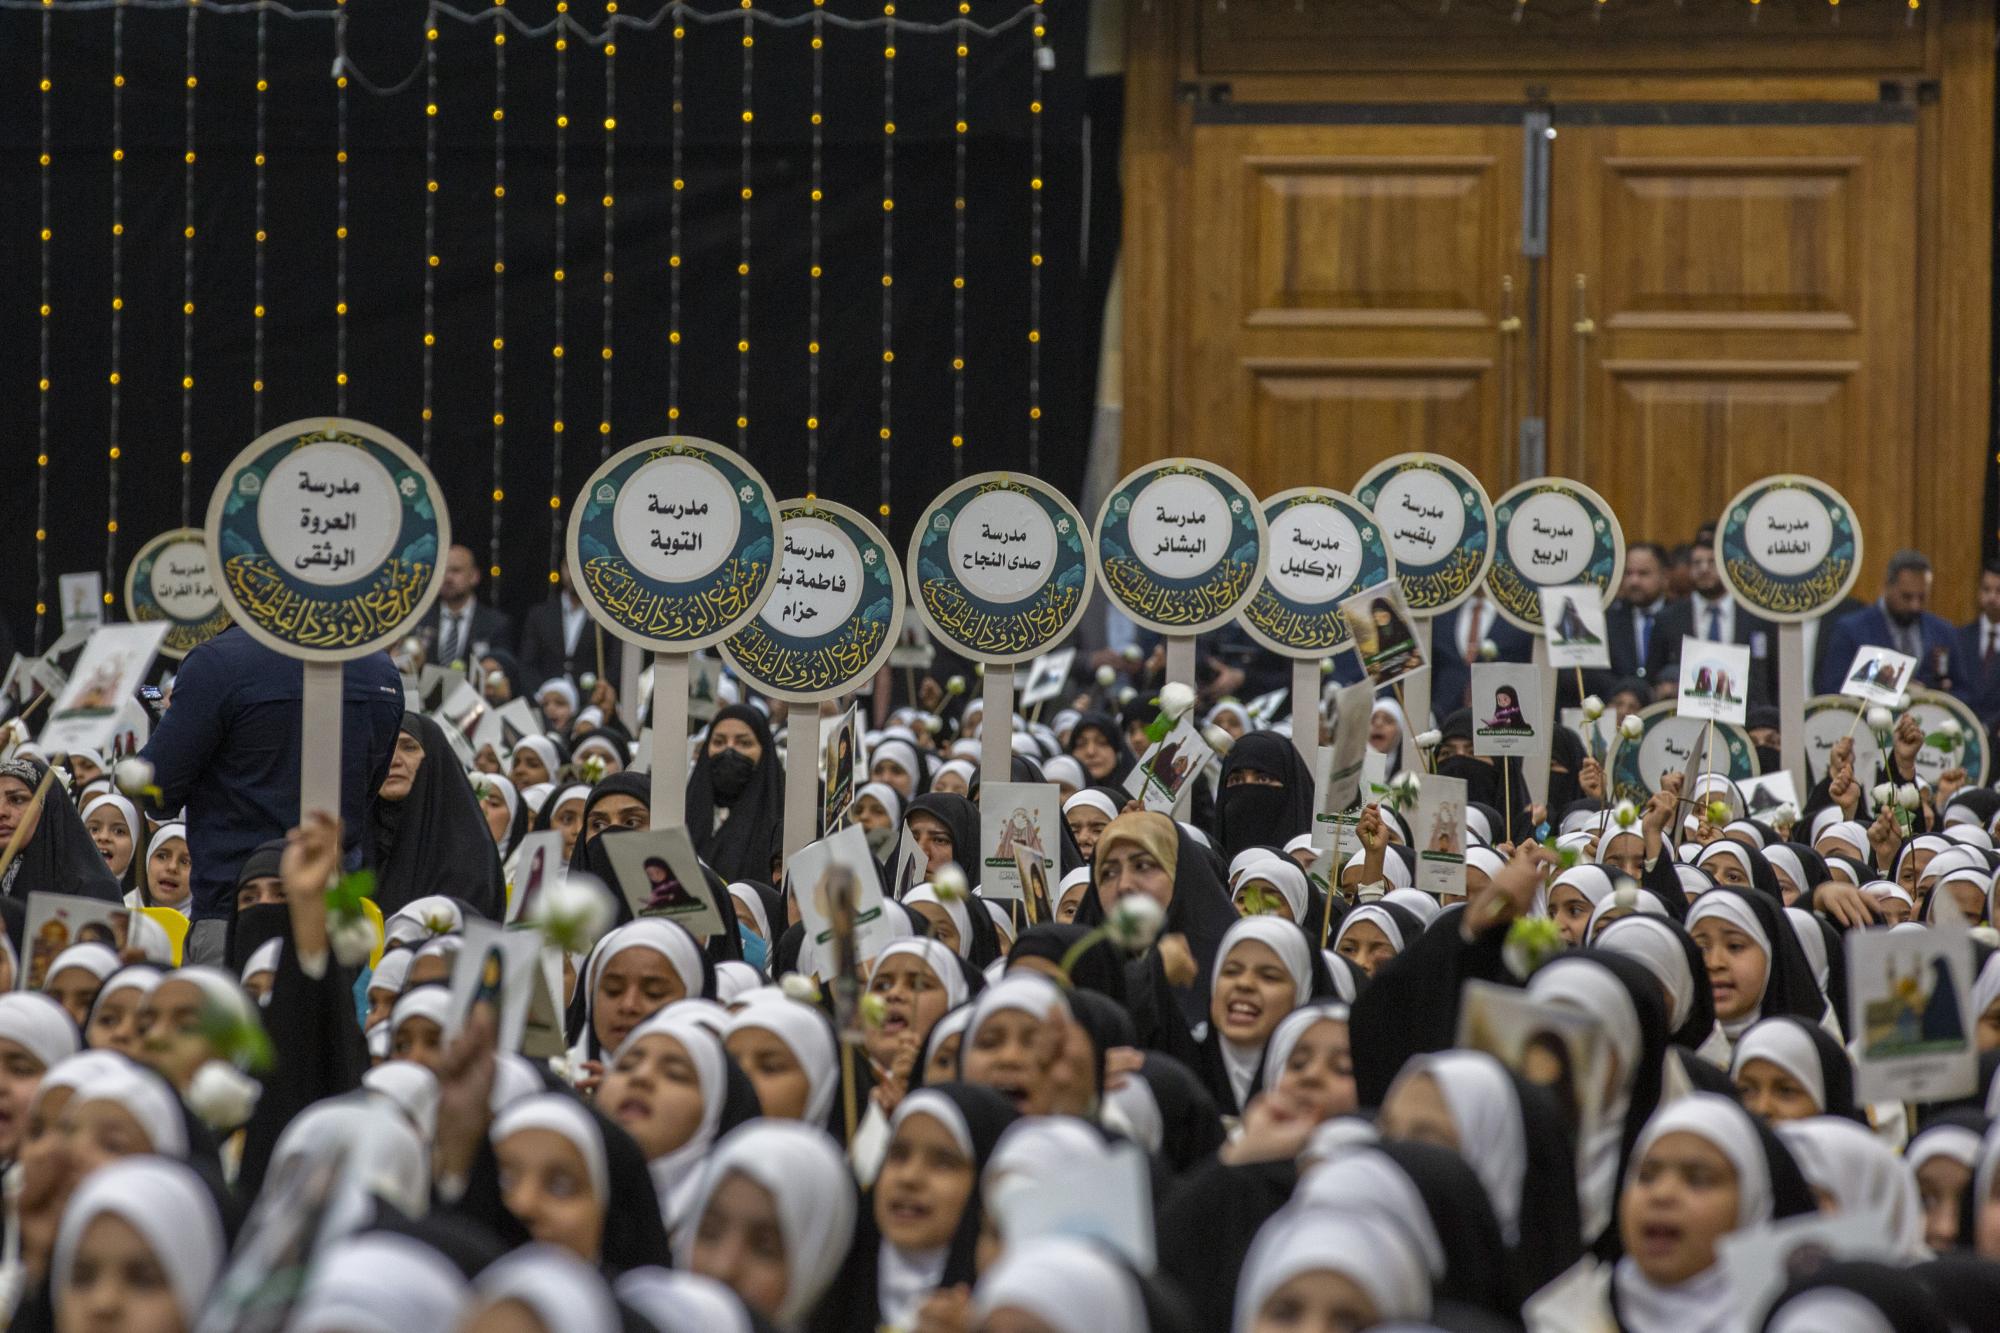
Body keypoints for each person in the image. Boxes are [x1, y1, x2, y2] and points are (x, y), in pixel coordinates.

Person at [139, 626, 403, 964]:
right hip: (333, 915)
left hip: (236, 912)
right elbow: (369, 788)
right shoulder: (379, 668)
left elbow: (156, 792)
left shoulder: (220, 661)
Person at [1816, 548, 1964, 696]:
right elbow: (1833, 688)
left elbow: (1964, 691)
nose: (1915, 605)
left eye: (1922, 597)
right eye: (1907, 597)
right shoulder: (1851, 630)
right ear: (1887, 586)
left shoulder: (1943, 632)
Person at [1656, 530, 1779, 706]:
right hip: (1687, 710)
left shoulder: (1756, 616)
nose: (1704, 569)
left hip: (1748, 710)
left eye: (1712, 562)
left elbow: (1772, 675)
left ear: (1728, 565)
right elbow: (1656, 673)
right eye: (1697, 563)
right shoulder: (1669, 618)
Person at [420, 543, 515, 667]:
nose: (448, 578)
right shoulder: (420, 619)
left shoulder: (496, 624)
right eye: (443, 571)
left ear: (474, 576)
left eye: (456, 570)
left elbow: (506, 665)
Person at [1954, 560, 2000, 728]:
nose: (1992, 597)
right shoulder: (1960, 637)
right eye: (1986, 589)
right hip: (1963, 727)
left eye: (1999, 591)